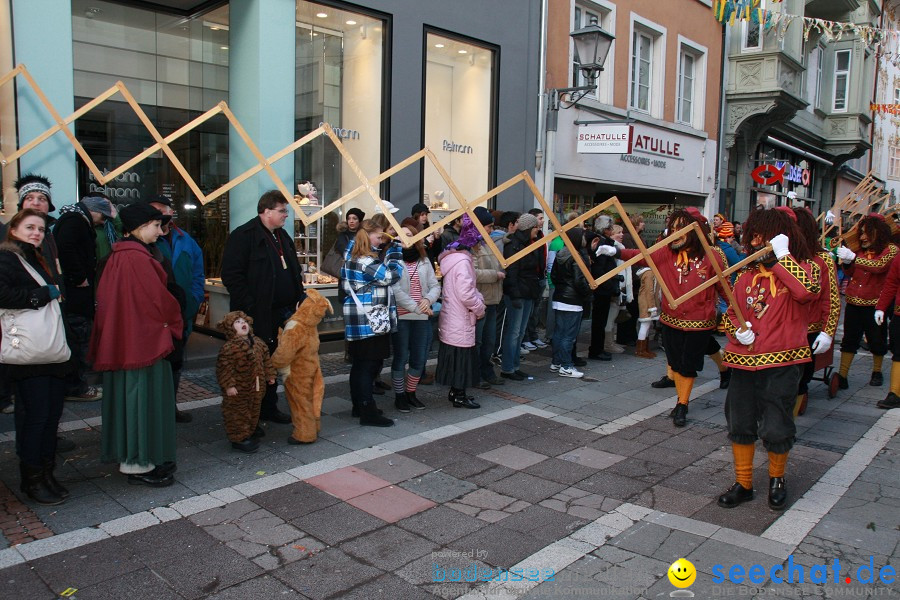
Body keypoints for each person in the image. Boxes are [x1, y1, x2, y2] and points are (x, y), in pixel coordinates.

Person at [717, 207, 819, 511]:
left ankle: (777, 479)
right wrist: (737, 331)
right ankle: (744, 483)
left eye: (764, 238)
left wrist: (783, 259)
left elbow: (807, 292)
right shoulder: (745, 277)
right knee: (740, 420)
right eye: (755, 238)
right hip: (744, 362)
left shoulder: (801, 267)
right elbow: (730, 314)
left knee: (777, 423)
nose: (756, 243)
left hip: (783, 363)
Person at [608, 208, 729, 426]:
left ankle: (682, 404)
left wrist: (736, 315)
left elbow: (725, 288)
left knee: (688, 364)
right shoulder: (665, 252)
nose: (673, 233)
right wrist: (615, 252)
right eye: (672, 229)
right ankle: (709, 376)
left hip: (700, 321)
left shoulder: (712, 256)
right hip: (671, 319)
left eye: (679, 229)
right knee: (675, 360)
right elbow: (641, 256)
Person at [90, 203, 183, 487]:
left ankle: (137, 460)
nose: (160, 231)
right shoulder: (137, 258)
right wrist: (175, 320)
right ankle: (139, 464)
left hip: (128, 341)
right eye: (156, 225)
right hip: (143, 344)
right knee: (142, 401)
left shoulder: (120, 255)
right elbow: (160, 301)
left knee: (131, 400)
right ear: (141, 227)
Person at [0, 209, 75, 505]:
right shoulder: (7, 257)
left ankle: (46, 473)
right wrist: (43, 295)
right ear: (14, 229)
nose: (36, 233)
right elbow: (3, 295)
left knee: (50, 417)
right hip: (29, 355)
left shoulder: (35, 257)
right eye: (30, 227)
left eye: (41, 229)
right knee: (36, 417)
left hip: (49, 351)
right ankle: (32, 479)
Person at [221, 190, 306, 424]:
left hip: (283, 311)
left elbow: (293, 269)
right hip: (256, 314)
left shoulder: (281, 236)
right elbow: (231, 275)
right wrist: (250, 306)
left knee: (272, 361)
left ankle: (269, 407)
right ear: (266, 211)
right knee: (254, 365)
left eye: (286, 211)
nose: (286, 215)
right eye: (282, 211)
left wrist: (299, 295)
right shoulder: (243, 236)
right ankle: (250, 417)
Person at [148, 194, 205, 424]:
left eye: (164, 211)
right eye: (155, 212)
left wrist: (193, 300)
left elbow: (197, 273)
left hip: (182, 313)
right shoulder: (148, 241)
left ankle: (170, 407)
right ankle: (155, 410)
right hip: (156, 316)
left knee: (176, 363)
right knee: (156, 363)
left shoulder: (185, 239)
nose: (161, 217)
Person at [55, 194, 115, 402]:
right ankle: (76, 387)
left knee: (79, 340)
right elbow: (67, 249)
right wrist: (79, 277)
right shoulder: (75, 221)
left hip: (77, 294)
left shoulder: (73, 219)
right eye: (103, 217)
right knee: (79, 341)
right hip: (77, 297)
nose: (103, 221)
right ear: (95, 212)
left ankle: (76, 385)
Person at [342, 219, 401, 426]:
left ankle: (360, 406)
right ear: (367, 237)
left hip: (361, 320)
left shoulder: (351, 255)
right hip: (370, 321)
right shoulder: (365, 261)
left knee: (360, 365)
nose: (380, 241)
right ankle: (368, 411)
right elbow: (392, 276)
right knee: (368, 366)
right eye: (377, 237)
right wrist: (396, 251)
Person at [834, 214, 898, 389]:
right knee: (849, 340)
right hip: (854, 302)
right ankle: (843, 375)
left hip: (876, 304)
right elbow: (851, 273)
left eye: (867, 233)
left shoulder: (891, 249)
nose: (862, 237)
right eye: (861, 233)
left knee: (877, 341)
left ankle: (877, 371)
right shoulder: (857, 250)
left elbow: (879, 266)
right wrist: (847, 263)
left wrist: (853, 258)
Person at [793, 207, 840, 416]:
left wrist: (828, 332)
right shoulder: (778, 257)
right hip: (780, 329)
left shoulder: (823, 259)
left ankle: (786, 423)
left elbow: (831, 300)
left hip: (809, 330)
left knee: (801, 379)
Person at [436, 215, 486, 408]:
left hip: (453, 316)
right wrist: (480, 307)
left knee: (456, 356)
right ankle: (459, 395)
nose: (480, 247)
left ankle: (456, 392)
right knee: (461, 359)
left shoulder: (454, 259)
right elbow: (466, 294)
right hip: (461, 317)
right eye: (479, 243)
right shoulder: (463, 262)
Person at [271, 289, 333, 444]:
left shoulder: (295, 326)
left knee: (300, 403)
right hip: (313, 367)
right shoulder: (311, 326)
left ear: (301, 305)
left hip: (296, 371)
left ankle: (304, 434)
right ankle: (314, 426)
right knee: (313, 399)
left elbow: (284, 353)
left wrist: (271, 364)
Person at [391, 218, 441, 411]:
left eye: (410, 236)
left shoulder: (424, 259)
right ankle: (399, 395)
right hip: (402, 317)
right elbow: (395, 290)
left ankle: (411, 393)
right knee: (401, 357)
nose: (406, 239)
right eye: (401, 236)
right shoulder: (393, 260)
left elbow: (435, 285)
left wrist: (428, 300)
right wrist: (417, 307)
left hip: (422, 316)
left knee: (419, 358)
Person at [216, 311, 275, 453]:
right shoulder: (229, 347)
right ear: (230, 328)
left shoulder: (258, 343)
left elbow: (266, 360)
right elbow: (224, 368)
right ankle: (238, 438)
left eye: (244, 321)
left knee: (254, 410)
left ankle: (250, 430)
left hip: (256, 387)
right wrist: (229, 385)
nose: (242, 324)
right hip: (239, 389)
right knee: (237, 413)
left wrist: (270, 375)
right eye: (237, 322)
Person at [500, 213, 542, 380]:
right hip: (518, 294)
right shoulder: (514, 245)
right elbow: (512, 273)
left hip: (528, 293)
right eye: (536, 227)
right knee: (514, 332)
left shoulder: (527, 244)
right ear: (528, 228)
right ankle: (508, 368)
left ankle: (515, 366)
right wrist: (515, 295)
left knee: (520, 332)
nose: (538, 230)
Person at [471, 207, 505, 388]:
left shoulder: (487, 243)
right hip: (479, 300)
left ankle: (487, 370)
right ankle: (475, 373)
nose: (491, 230)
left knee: (489, 340)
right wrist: (495, 275)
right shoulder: (471, 245)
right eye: (488, 226)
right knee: (478, 340)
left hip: (493, 299)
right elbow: (472, 273)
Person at [550, 228, 591, 378]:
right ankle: (566, 366)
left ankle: (556, 362)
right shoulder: (576, 257)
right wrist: (588, 293)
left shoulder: (561, 253)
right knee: (569, 335)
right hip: (572, 300)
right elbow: (579, 281)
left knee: (559, 333)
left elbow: (553, 275)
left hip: (560, 297)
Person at [587, 215, 620, 361]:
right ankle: (596, 349)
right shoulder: (601, 243)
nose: (611, 230)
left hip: (604, 285)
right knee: (599, 320)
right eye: (609, 228)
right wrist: (609, 284)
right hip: (602, 287)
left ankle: (598, 348)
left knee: (601, 320)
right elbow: (600, 268)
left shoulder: (604, 241)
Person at [522, 208, 548, 352]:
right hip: (532, 278)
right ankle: (526, 338)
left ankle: (533, 335)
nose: (542, 221)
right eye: (540, 218)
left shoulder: (540, 235)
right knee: (529, 311)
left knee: (535, 310)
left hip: (539, 276)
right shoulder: (529, 239)